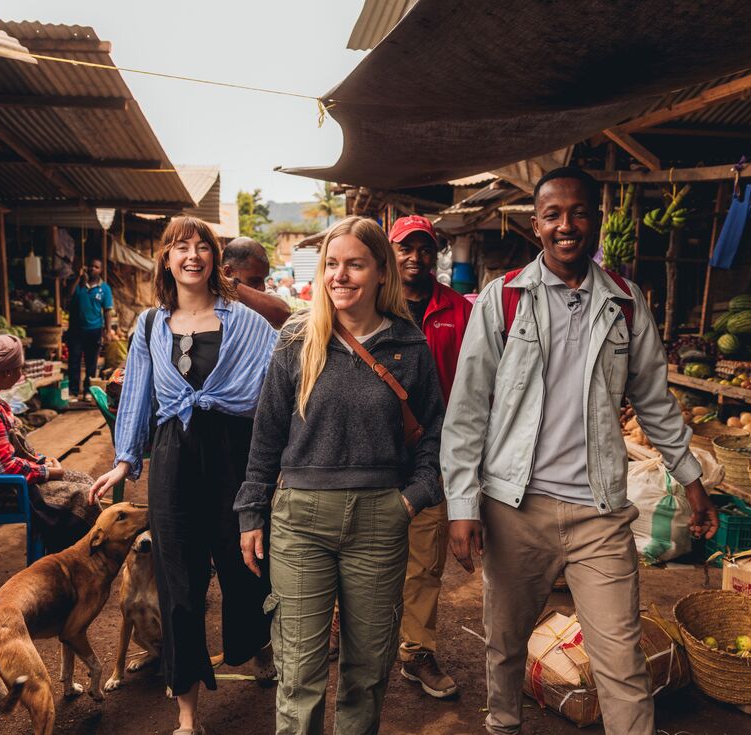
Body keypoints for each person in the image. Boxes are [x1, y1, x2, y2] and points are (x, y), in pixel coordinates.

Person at [441, 167, 718, 735]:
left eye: (579, 213)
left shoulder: (625, 302)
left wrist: (692, 481)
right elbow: (467, 408)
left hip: (600, 511)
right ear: (536, 225)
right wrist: (462, 505)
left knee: (620, 657)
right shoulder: (504, 299)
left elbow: (655, 401)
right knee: (504, 641)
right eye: (553, 215)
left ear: (597, 220)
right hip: (515, 507)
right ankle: (503, 724)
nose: (566, 225)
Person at [235, 215, 446, 735]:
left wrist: (412, 498)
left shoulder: (409, 345)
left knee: (367, 673)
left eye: (355, 264)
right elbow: (266, 434)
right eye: (332, 264)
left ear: (381, 272)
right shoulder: (297, 337)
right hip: (299, 522)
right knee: (299, 673)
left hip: (380, 520)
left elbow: (436, 435)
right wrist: (251, 510)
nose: (340, 275)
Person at [90, 216, 278, 735]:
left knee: (247, 566)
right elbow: (137, 393)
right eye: (181, 247)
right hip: (173, 459)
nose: (192, 255)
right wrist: (125, 459)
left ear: (216, 259)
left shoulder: (247, 323)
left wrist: (281, 461)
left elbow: (277, 387)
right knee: (179, 586)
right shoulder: (151, 324)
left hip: (234, 456)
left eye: (202, 247)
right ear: (167, 259)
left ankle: (258, 643)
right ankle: (187, 716)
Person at [388, 214, 471, 699]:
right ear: (390, 253)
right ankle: (342, 627)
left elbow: (474, 385)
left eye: (425, 249)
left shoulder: (458, 311)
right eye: (406, 248)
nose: (415, 257)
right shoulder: (372, 304)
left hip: (434, 452)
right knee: (357, 551)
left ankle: (416, 651)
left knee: (424, 561)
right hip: (373, 453)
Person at [0, 335, 99, 552]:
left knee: (86, 482)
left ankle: (67, 557)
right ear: (7, 372)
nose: (22, 373)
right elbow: (3, 468)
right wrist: (47, 472)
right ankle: (67, 563)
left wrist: (42, 463)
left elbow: (4, 452)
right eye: (20, 368)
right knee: (80, 496)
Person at [67, 258, 114, 401]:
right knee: (74, 360)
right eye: (90, 266)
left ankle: (88, 391)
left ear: (100, 270)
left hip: (94, 330)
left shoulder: (104, 288)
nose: (93, 268)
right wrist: (78, 277)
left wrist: (108, 330)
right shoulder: (79, 285)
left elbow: (107, 310)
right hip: (75, 329)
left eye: (96, 267)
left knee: (91, 362)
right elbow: (69, 295)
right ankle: (74, 392)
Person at [222, 237, 290, 328]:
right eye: (254, 280)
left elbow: (284, 314)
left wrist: (232, 285)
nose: (262, 288)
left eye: (263, 280)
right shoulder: (209, 297)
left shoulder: (260, 289)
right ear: (228, 272)